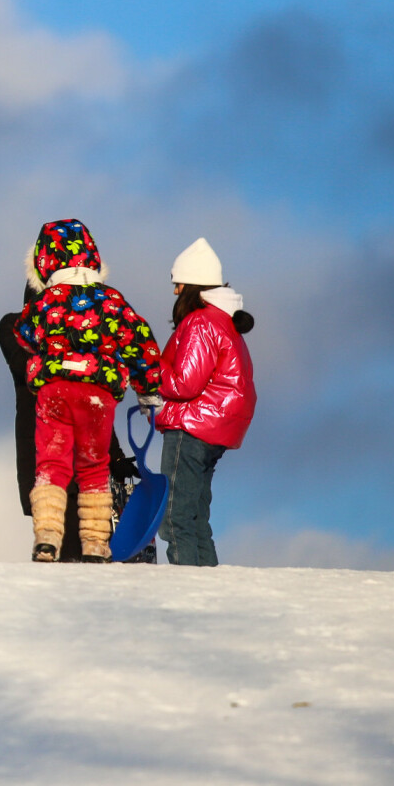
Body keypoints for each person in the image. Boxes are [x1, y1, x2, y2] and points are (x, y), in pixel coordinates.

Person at [13, 219, 161, 562]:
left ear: (42, 262)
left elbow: (22, 333)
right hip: (97, 394)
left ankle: (47, 537)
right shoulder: (111, 301)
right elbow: (140, 342)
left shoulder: (46, 301)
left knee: (51, 464)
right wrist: (147, 389)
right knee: (94, 467)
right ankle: (95, 542)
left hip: (54, 390)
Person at [0, 296, 150, 563]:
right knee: (57, 538)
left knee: (77, 547)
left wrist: (114, 455)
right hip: (45, 450)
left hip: (83, 454)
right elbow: (27, 366)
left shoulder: (76, 327)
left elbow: (91, 401)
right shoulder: (14, 327)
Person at [156, 237, 256, 566]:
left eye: (178, 283)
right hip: (215, 429)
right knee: (196, 517)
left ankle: (188, 589)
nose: (174, 291)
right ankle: (210, 587)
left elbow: (185, 383)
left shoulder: (201, 322)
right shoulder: (225, 322)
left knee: (175, 518)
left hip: (192, 427)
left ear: (192, 286)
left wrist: (149, 368)